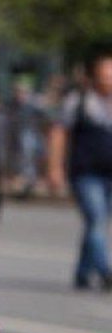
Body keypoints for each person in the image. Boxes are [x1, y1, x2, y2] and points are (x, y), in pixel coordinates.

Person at [45, 49, 112, 292]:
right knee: (95, 218)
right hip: (86, 173)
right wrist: (54, 167)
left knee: (97, 222)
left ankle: (83, 272)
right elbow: (58, 132)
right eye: (104, 76)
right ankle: (104, 271)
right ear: (95, 77)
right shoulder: (80, 101)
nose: (108, 81)